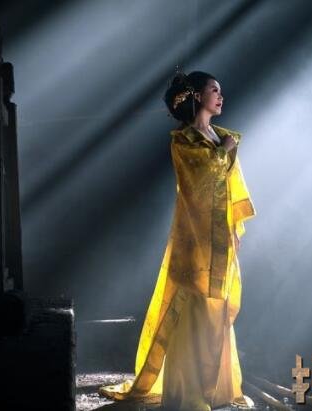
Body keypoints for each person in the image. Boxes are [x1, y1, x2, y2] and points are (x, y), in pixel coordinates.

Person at [99, 70, 257, 410]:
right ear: (197, 96)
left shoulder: (222, 137)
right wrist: (224, 153)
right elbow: (198, 186)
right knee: (195, 306)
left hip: (220, 235)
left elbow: (230, 189)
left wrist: (233, 228)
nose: (220, 96)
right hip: (194, 236)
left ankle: (218, 388)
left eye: (220, 91)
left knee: (217, 308)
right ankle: (188, 391)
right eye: (214, 90)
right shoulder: (184, 141)